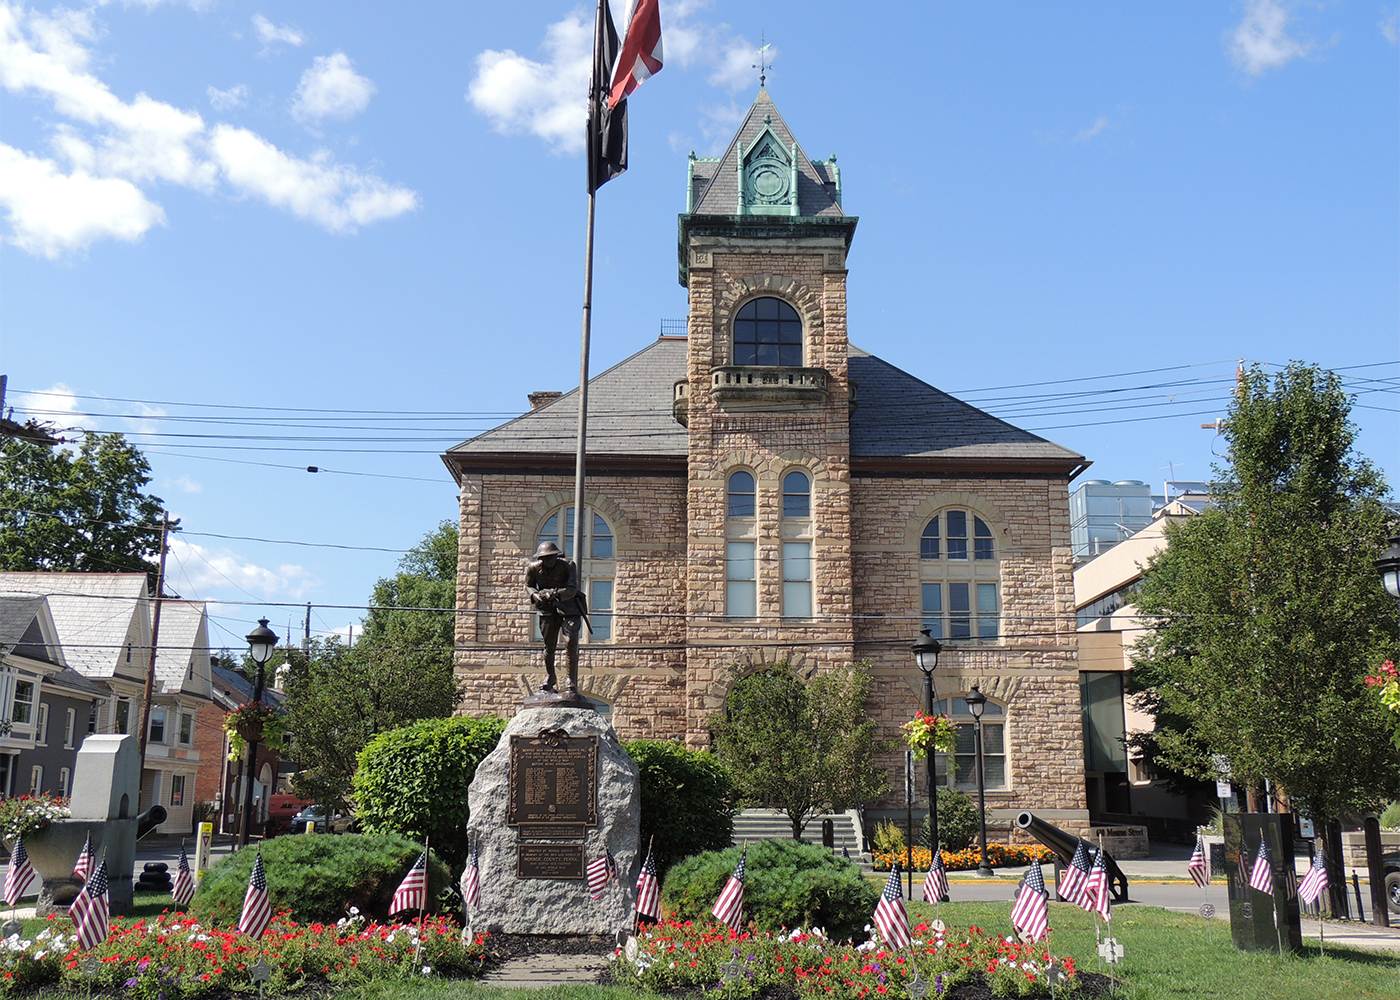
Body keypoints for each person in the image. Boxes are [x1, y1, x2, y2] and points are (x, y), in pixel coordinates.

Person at [524, 541, 587, 696]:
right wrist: (535, 595)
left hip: (570, 607)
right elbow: (528, 586)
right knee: (549, 645)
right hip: (547, 609)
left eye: (551, 557)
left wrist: (555, 593)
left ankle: (570, 680)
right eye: (545, 558)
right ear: (540, 559)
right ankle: (550, 676)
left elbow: (572, 589)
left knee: (570, 642)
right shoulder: (533, 568)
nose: (548, 561)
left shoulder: (568, 566)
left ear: (556, 556)